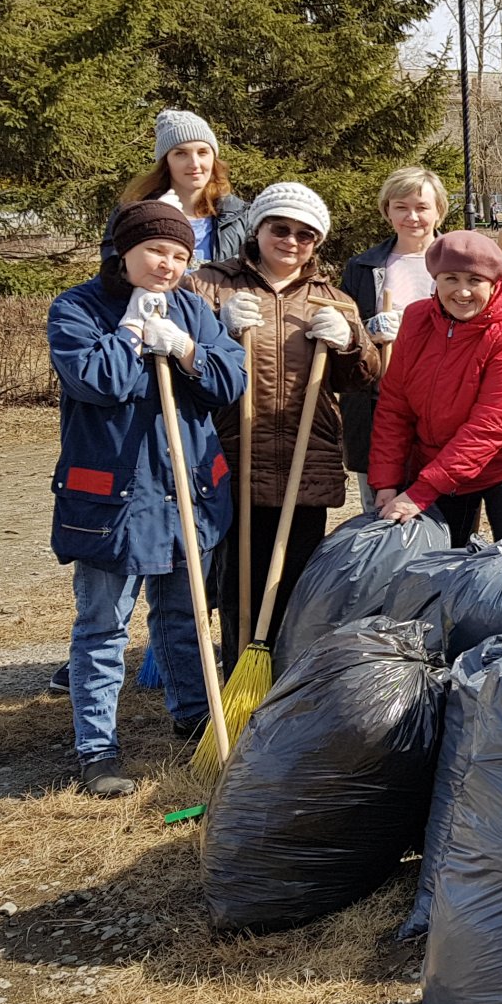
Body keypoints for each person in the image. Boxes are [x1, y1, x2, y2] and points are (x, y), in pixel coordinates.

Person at [46, 201, 247, 796]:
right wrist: (133, 332)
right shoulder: (77, 308)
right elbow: (96, 382)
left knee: (184, 614)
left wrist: (186, 350)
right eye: (157, 251)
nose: (168, 265)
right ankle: (97, 749)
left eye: (181, 256)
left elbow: (228, 382)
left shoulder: (190, 307)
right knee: (103, 626)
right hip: (112, 501)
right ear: (124, 250)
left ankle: (191, 718)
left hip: (187, 489)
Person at [187, 182, 377, 655]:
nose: (291, 241)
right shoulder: (209, 284)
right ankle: (237, 690)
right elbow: (182, 363)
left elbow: (361, 377)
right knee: (237, 588)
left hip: (303, 460)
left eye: (305, 234)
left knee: (294, 587)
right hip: (232, 455)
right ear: (258, 229)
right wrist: (217, 326)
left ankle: (285, 688)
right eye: (280, 229)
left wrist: (350, 342)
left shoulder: (331, 299)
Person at [370, 229, 502, 548]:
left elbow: (490, 426)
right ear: (435, 280)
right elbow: (395, 406)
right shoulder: (417, 320)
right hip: (439, 457)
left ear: (493, 283)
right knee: (438, 566)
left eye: (474, 281)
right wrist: (387, 482)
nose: (462, 292)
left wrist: (421, 492)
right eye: (451, 279)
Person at [338, 167, 449, 514]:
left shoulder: (459, 261)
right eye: (401, 207)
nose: (412, 217)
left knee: (442, 506)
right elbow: (344, 335)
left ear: (439, 211)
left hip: (443, 402)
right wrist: (367, 332)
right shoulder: (363, 267)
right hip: (379, 404)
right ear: (387, 210)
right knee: (382, 506)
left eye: (421, 207)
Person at [102, 109, 252, 267]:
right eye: (181, 154)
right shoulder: (131, 214)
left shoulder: (240, 216)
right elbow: (114, 272)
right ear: (166, 162)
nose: (194, 164)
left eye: (202, 152)